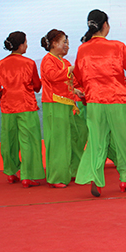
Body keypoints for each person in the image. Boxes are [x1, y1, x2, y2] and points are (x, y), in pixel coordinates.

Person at [73, 10, 126, 197]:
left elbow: (78, 78)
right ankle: (125, 179)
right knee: (123, 140)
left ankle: (95, 178)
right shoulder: (117, 46)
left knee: (96, 141)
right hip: (117, 100)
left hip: (94, 102)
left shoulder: (82, 49)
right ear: (105, 25)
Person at [0, 31, 45, 188]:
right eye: (25, 42)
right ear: (20, 45)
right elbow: (37, 86)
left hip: (8, 108)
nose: (27, 45)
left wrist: (1, 92)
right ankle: (28, 176)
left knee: (9, 141)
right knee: (29, 142)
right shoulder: (29, 63)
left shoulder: (0, 64)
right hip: (26, 106)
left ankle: (11, 172)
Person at [40, 29, 87, 188]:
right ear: (54, 43)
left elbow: (68, 84)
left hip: (68, 105)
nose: (67, 45)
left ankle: (74, 170)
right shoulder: (48, 60)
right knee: (58, 141)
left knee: (78, 134)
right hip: (54, 104)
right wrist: (72, 69)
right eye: (64, 42)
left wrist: (76, 91)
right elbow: (53, 77)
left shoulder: (65, 62)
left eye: (67, 42)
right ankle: (56, 177)